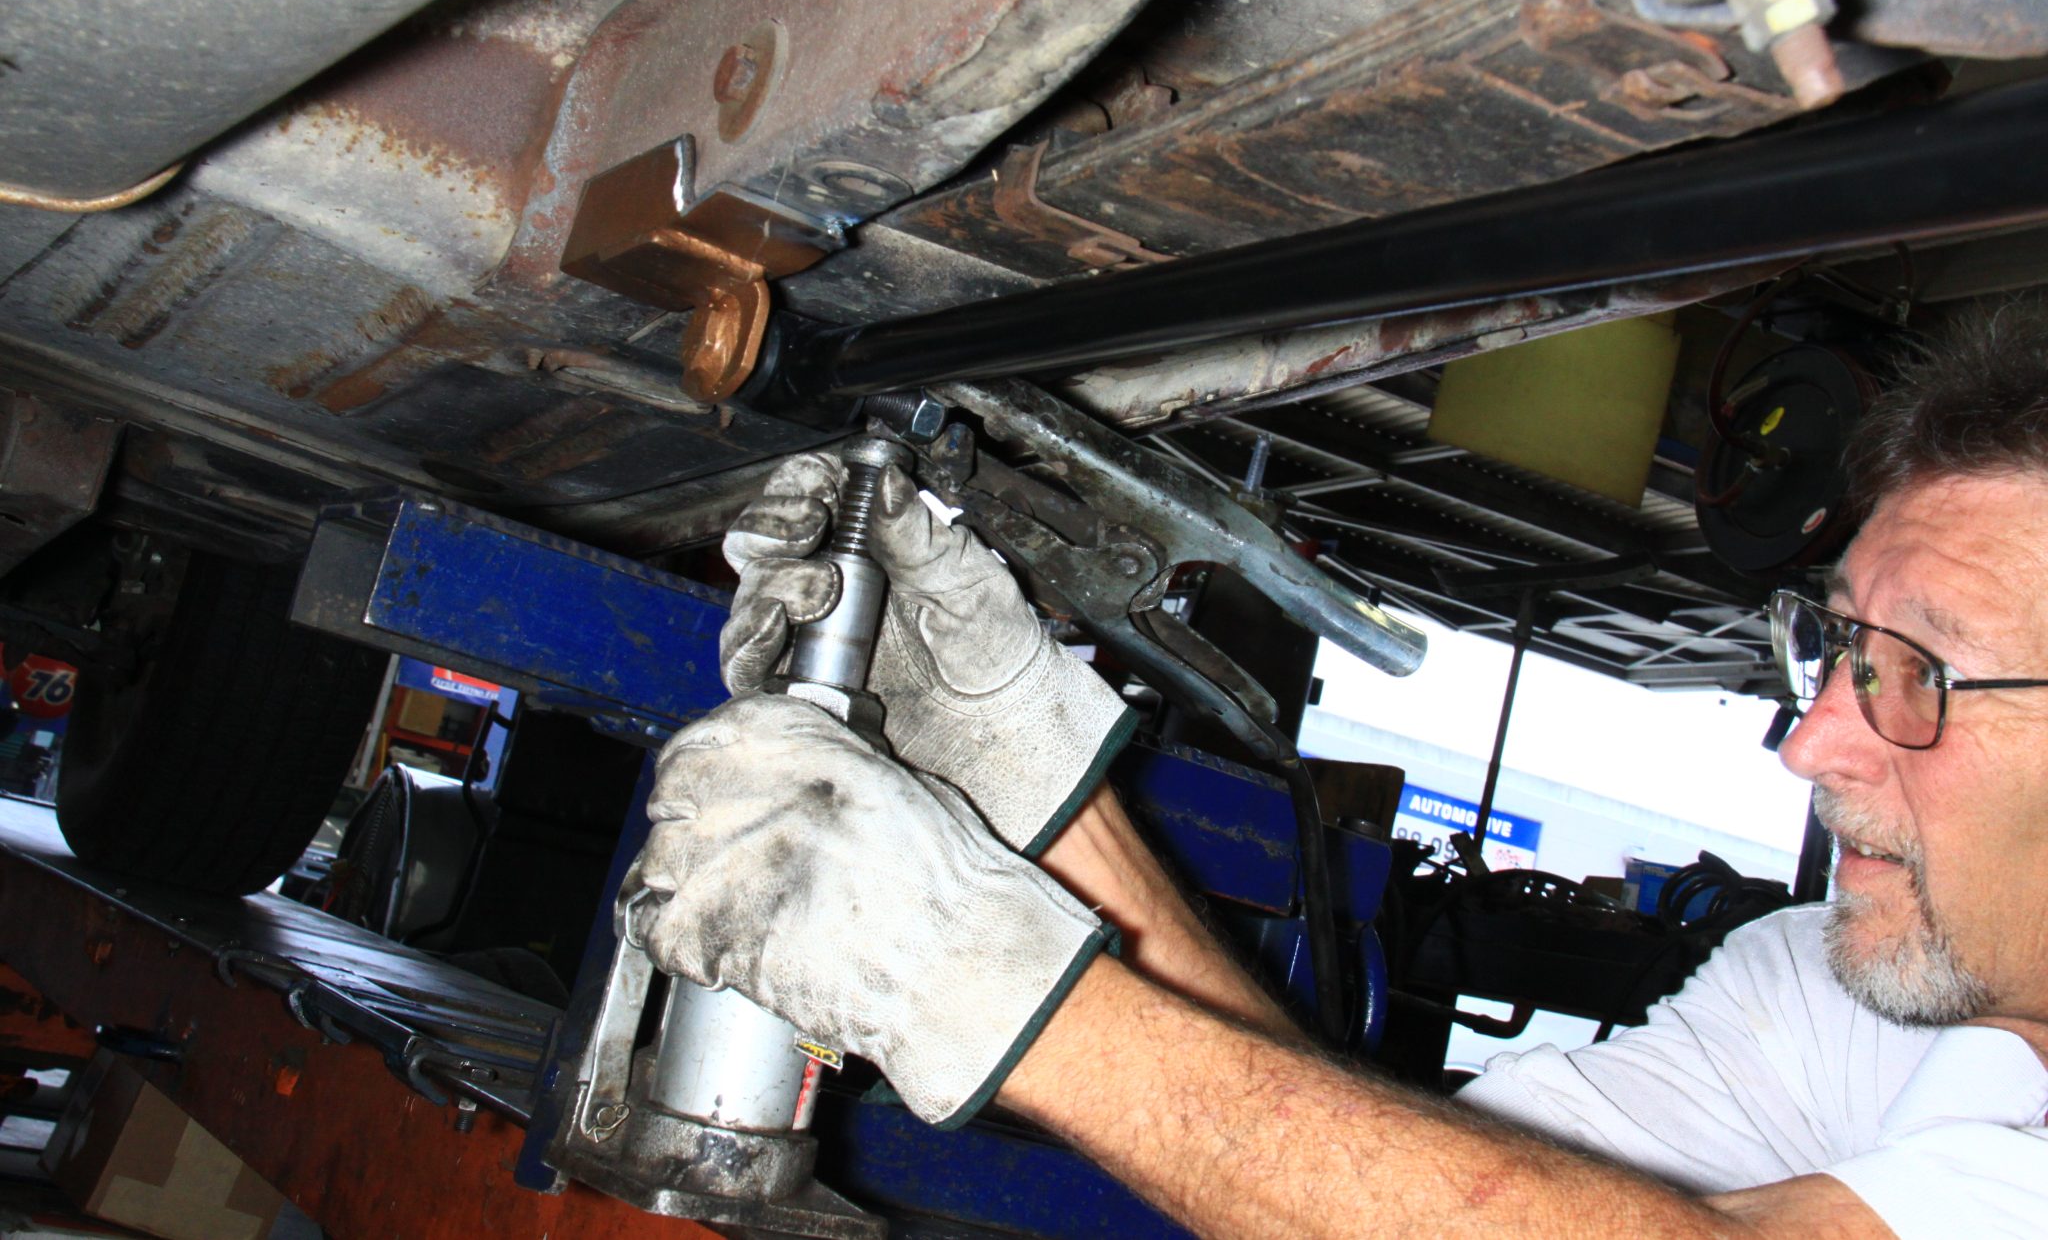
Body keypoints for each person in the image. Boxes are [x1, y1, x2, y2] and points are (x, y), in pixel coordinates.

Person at [634, 312, 2048, 1239]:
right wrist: (1031, 776)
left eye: (1926, 670)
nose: (1813, 742)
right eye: (1841, 650)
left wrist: (962, 981)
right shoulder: (1824, 992)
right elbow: (1369, 1197)